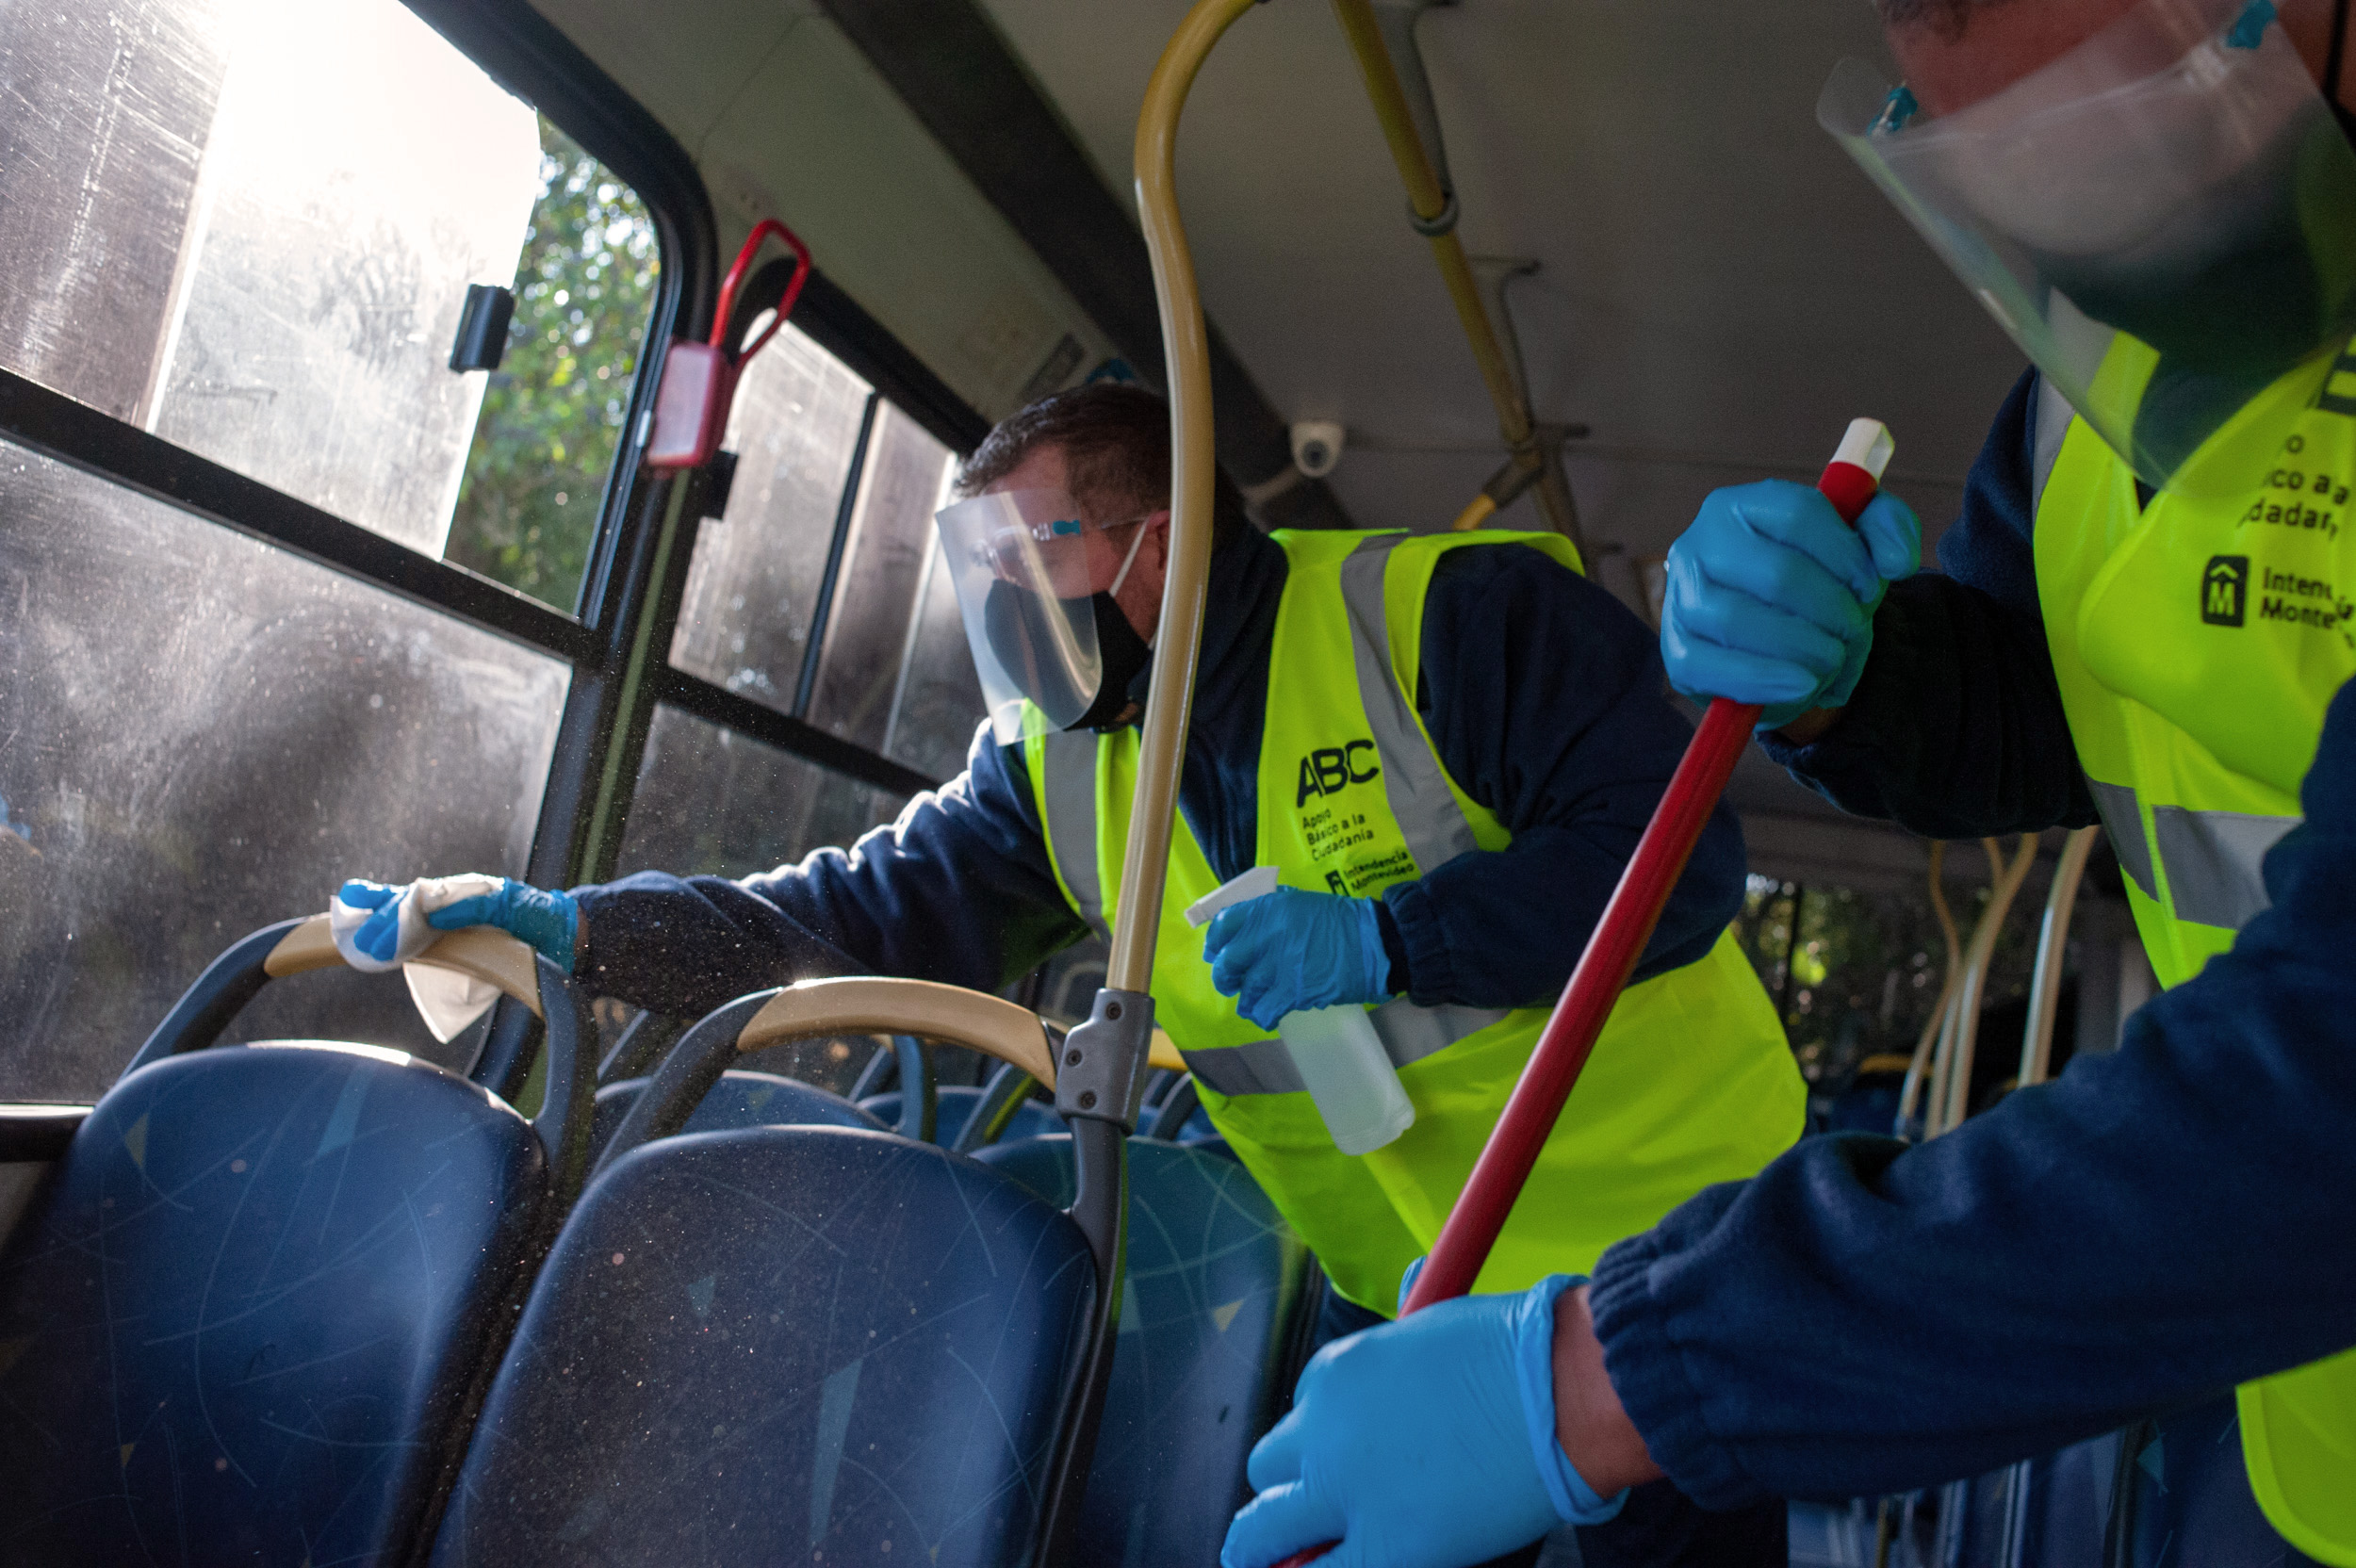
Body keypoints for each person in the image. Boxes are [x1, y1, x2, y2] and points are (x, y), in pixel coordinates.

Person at [1219, 0, 2356, 1564]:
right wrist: (1861, 675)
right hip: (2294, 1402)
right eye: (2021, 166)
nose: (2104, 225)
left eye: (2127, 120)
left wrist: (1627, 1375)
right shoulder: (2111, 393)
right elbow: (2046, 696)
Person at [343, 382, 1805, 1567]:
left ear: (1152, 551)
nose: (992, 609)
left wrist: (1394, 940)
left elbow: (1674, 858)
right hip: (1414, 1287)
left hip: (1672, 1248)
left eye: (1016, 567)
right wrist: (585, 932)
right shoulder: (1064, 772)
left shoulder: (1443, 622)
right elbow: (859, 918)